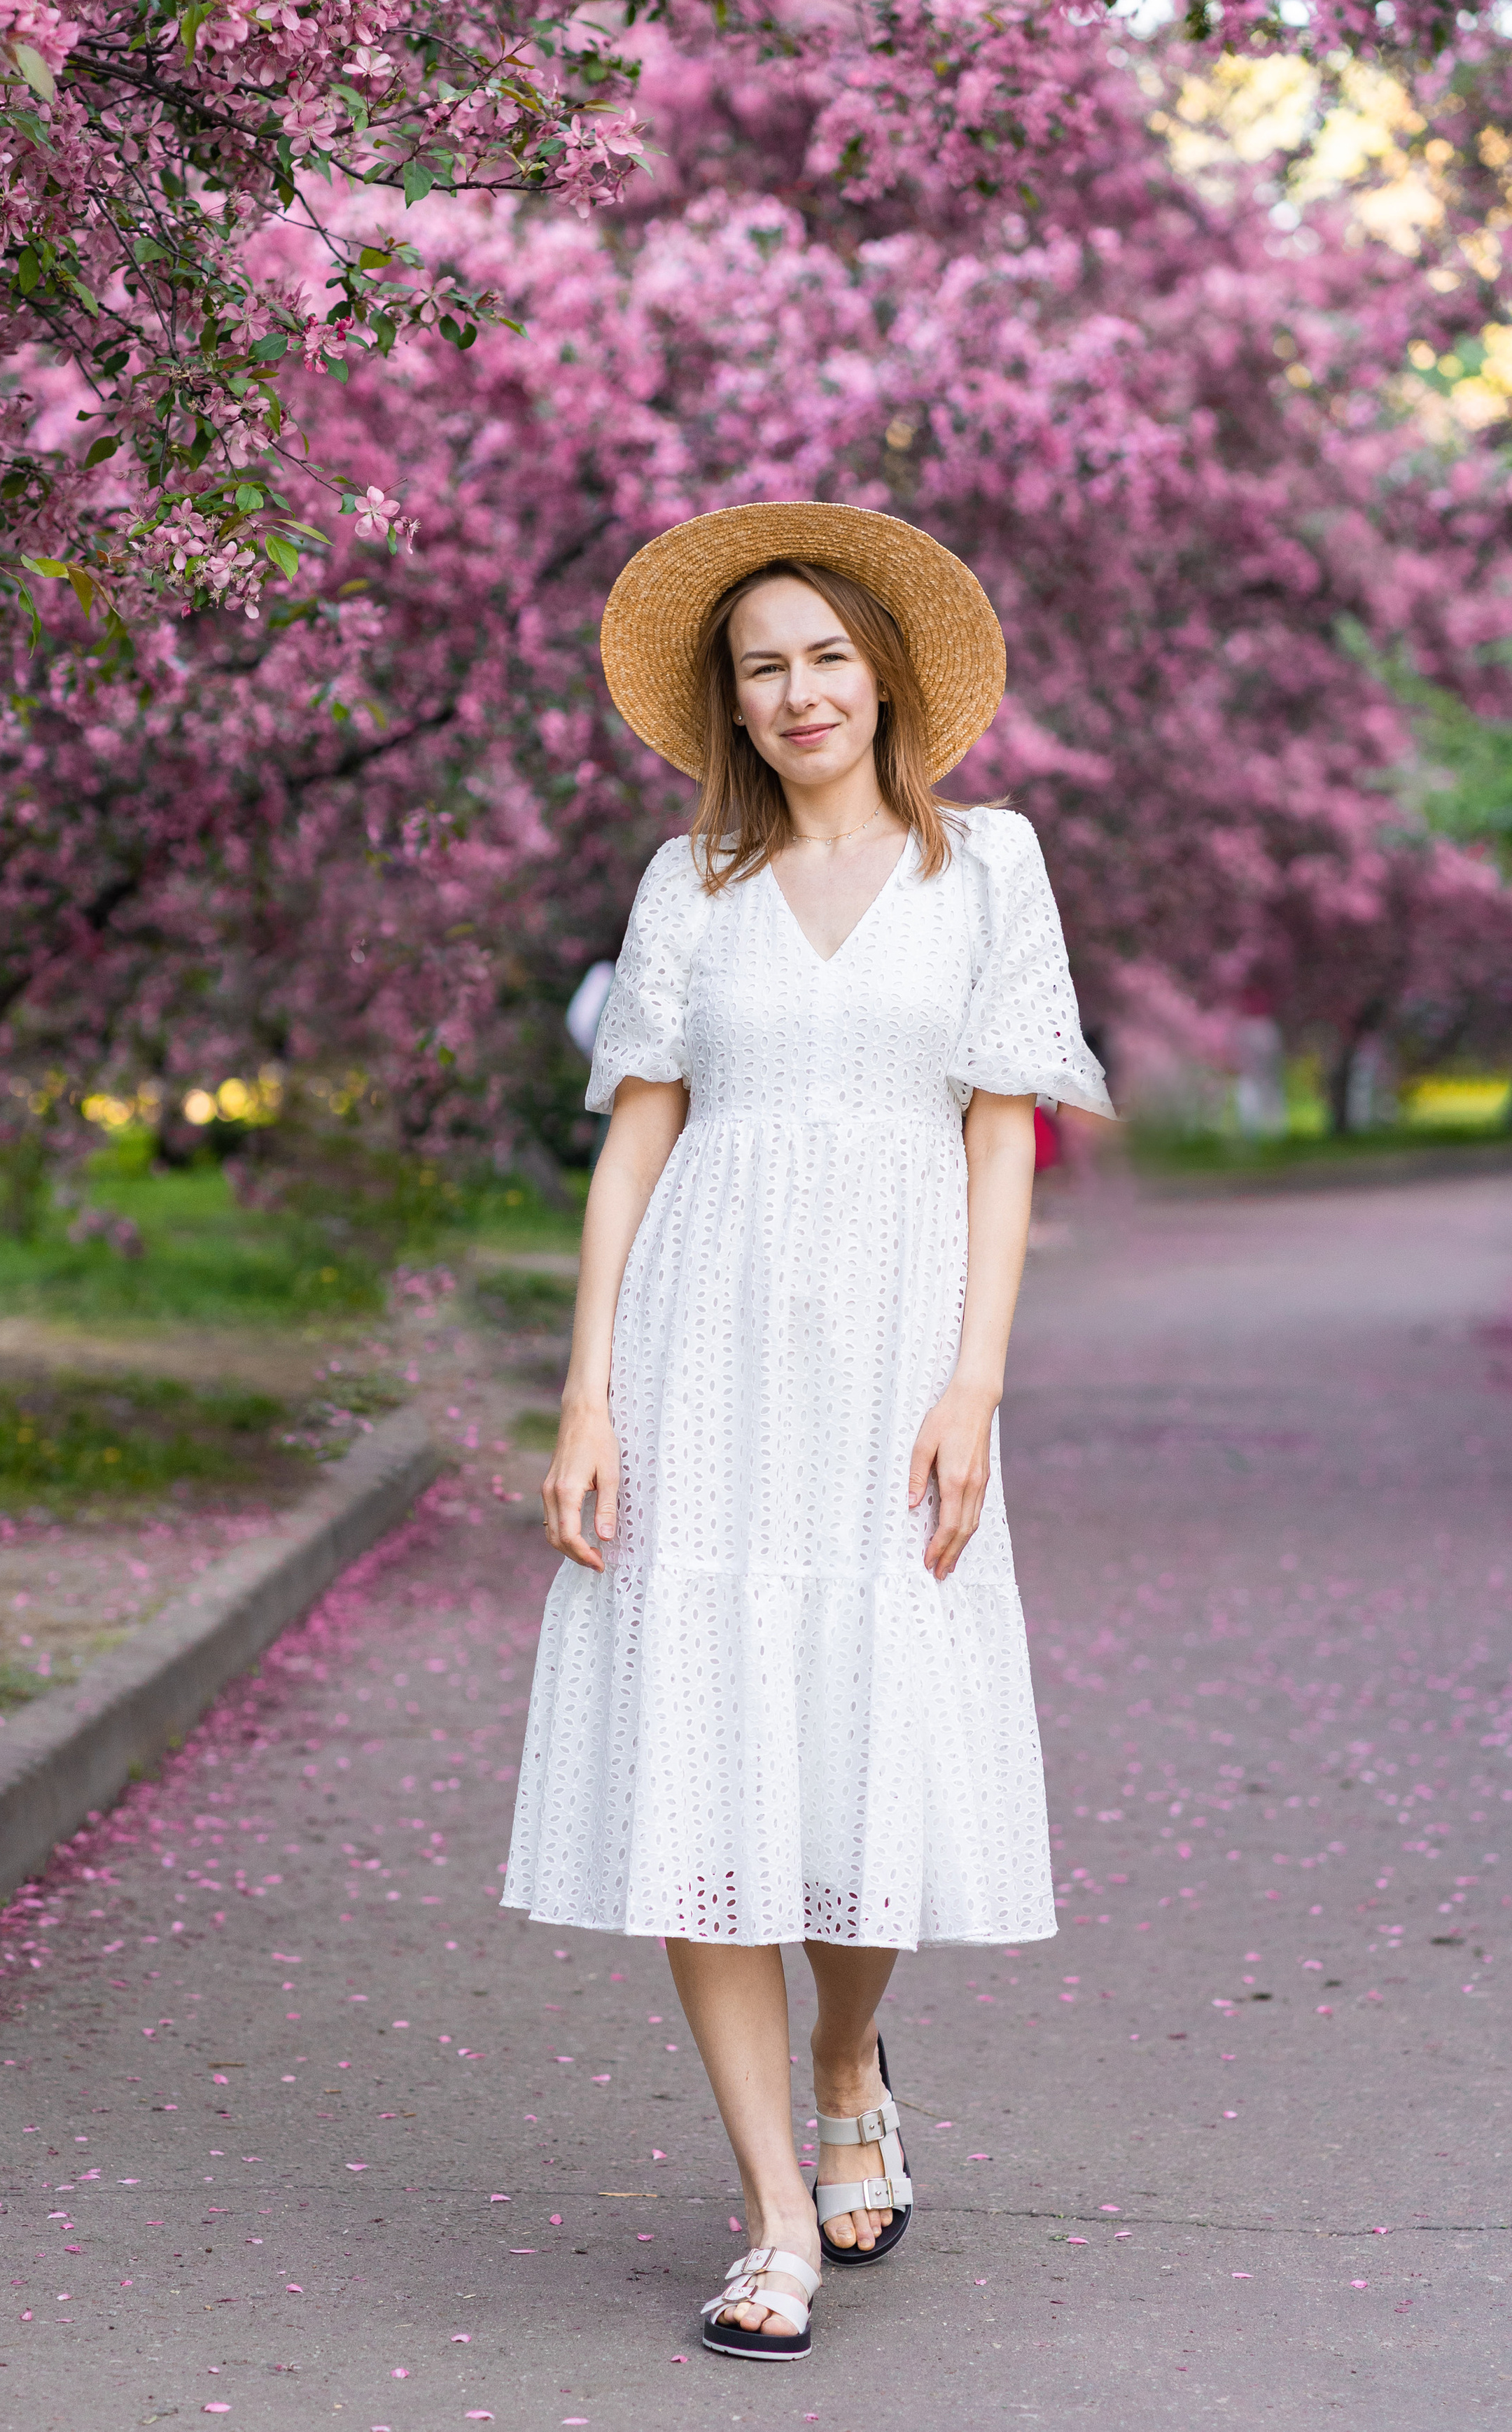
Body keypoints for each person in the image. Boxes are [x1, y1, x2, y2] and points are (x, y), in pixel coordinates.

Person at [502, 501, 1114, 2362]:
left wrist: (973, 1382)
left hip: (892, 1373)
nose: (798, 691)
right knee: (707, 1763)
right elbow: (639, 1139)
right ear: (729, 703)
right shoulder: (688, 886)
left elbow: (1003, 1129)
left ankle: (854, 2056)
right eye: (764, 668)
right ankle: (774, 2210)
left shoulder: (990, 864)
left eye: (827, 656)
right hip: (706, 1353)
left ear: (887, 675)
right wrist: (589, 1390)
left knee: (870, 1756)